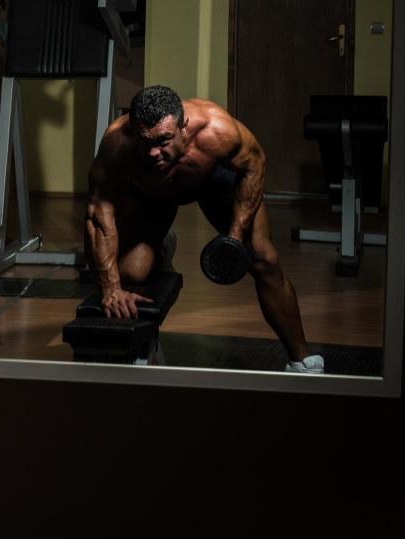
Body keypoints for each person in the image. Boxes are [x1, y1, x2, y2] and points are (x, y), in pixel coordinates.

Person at [84, 85, 323, 374]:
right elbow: (99, 215)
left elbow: (255, 165)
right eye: (144, 142)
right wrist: (110, 289)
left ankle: (302, 360)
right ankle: (161, 248)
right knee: (131, 273)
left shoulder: (216, 129)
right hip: (152, 194)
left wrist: (235, 236)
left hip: (212, 181)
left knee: (263, 259)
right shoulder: (116, 146)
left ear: (183, 126)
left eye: (163, 140)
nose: (153, 153)